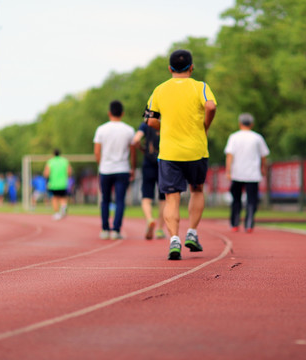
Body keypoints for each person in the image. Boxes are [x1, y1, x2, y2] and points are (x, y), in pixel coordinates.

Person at [146, 49, 217, 260]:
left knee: (171, 197)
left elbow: (149, 120)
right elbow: (211, 106)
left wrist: (164, 126)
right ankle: (192, 233)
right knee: (196, 190)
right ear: (191, 67)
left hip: (168, 152)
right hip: (196, 149)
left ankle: (174, 240)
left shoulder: (159, 90)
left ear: (170, 69)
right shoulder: (201, 86)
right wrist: (205, 125)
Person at [93, 100, 136, 240]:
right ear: (122, 113)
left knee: (105, 200)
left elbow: (97, 151)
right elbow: (133, 152)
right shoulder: (129, 130)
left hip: (105, 169)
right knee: (120, 200)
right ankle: (116, 230)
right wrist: (133, 168)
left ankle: (105, 229)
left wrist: (101, 165)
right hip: (123, 169)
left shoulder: (101, 129)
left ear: (109, 113)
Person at [224, 113, 270, 233]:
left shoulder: (234, 137)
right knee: (252, 200)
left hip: (237, 173)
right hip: (253, 174)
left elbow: (229, 155)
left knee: (236, 199)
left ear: (240, 123)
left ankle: (235, 223)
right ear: (252, 124)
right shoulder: (257, 137)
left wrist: (228, 171)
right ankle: (249, 224)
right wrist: (263, 168)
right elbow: (264, 156)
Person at [132, 117, 166, 240]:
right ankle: (160, 229)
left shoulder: (145, 125)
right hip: (164, 163)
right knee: (164, 198)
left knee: (146, 197)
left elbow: (135, 140)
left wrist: (143, 149)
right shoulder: (167, 123)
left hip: (148, 164)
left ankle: (149, 219)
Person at [43, 149, 72, 220]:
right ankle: (63, 207)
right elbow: (69, 172)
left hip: (54, 184)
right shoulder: (65, 161)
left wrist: (47, 177)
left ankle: (57, 213)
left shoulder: (50, 161)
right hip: (63, 183)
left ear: (53, 154)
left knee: (54, 198)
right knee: (63, 197)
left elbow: (46, 173)